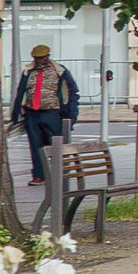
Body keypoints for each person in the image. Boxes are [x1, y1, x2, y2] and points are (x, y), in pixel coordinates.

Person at [14, 45, 85, 198]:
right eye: (36, 58)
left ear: (47, 56)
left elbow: (72, 93)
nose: (39, 61)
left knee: (55, 145)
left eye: (42, 58)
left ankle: (58, 173)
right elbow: (21, 92)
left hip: (52, 113)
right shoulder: (28, 71)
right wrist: (16, 114)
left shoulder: (60, 71)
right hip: (32, 113)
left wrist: (71, 115)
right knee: (36, 146)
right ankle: (39, 175)